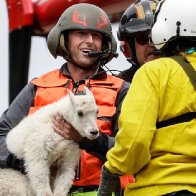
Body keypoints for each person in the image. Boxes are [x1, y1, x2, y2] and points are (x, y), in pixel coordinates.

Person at [0, 3, 131, 195]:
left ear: (104, 44)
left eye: (96, 36)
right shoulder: (37, 87)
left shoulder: (121, 90)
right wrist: (32, 159)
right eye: (81, 34)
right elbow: (2, 135)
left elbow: (131, 149)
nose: (90, 41)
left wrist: (87, 140)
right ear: (64, 39)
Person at [98, 0, 196, 195]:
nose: (151, 43)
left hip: (159, 187)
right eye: (143, 38)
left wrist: (111, 169)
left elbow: (134, 142)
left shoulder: (152, 73)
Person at [117, 0, 162, 82]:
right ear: (129, 47)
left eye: (157, 37)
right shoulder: (119, 88)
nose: (151, 44)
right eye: (143, 38)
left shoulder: (188, 75)